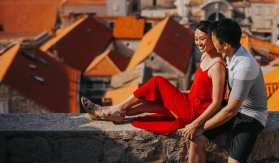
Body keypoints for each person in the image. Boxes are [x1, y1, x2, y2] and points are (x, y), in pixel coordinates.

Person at [81, 20, 226, 136]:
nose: (198, 43)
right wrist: (179, 95)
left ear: (212, 38)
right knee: (151, 103)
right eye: (196, 39)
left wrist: (195, 124)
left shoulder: (217, 66)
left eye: (202, 39)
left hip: (194, 113)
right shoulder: (205, 56)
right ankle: (106, 112)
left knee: (157, 81)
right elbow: (199, 90)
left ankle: (118, 108)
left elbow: (216, 103)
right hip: (189, 102)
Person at [186, 18, 268, 163]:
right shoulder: (231, 53)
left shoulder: (244, 68)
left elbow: (231, 111)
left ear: (225, 45)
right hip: (234, 107)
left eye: (214, 39)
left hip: (250, 116)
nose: (211, 41)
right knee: (196, 141)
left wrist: (198, 126)